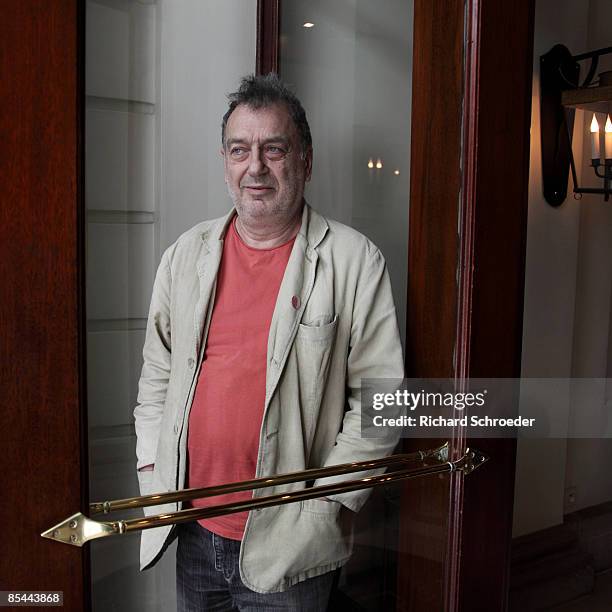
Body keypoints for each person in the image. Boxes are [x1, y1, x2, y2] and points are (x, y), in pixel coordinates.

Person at [133, 73, 404, 611]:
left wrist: (326, 507)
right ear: (225, 159)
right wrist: (151, 471)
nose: (254, 167)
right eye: (240, 150)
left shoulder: (353, 261)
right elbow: (157, 378)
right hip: (191, 527)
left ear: (305, 160)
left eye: (273, 149)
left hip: (290, 546)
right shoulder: (185, 256)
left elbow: (383, 404)